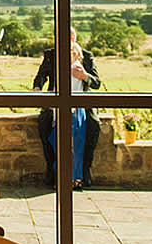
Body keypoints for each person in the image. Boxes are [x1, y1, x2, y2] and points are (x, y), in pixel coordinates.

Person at [33, 27, 103, 189]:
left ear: (74, 40)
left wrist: (84, 76)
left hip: (81, 102)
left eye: (70, 40)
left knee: (93, 125)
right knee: (45, 124)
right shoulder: (51, 55)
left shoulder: (86, 56)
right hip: (55, 101)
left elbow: (97, 83)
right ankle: (52, 171)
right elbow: (40, 77)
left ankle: (83, 172)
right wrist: (37, 88)